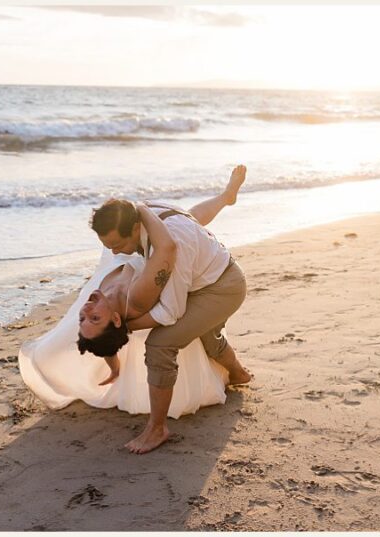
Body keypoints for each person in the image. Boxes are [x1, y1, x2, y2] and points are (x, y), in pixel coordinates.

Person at [20, 166, 251, 454]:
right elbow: (184, 228)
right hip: (202, 263)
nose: (114, 252)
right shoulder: (142, 216)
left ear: (135, 228)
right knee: (208, 335)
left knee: (162, 343)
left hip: (222, 287)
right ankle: (239, 374)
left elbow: (171, 312)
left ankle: (157, 429)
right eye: (108, 245)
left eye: (117, 244)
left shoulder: (167, 247)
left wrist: (125, 326)